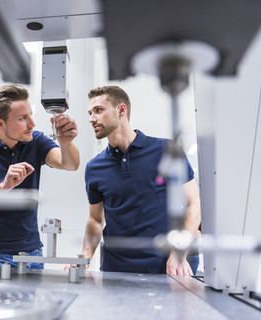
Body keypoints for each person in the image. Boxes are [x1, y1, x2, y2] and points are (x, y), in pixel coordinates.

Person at [79, 85, 201, 275]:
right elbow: (95, 220)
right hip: (116, 270)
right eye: (90, 112)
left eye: (98, 110)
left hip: (169, 267)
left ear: (121, 110)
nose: (91, 118)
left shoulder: (166, 150)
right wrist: (83, 259)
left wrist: (178, 254)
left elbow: (193, 205)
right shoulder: (94, 167)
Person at [0, 84, 79, 269]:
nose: (32, 123)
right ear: (0, 123)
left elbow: (69, 164)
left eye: (30, 115)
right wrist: (4, 186)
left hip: (32, 252)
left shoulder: (36, 141)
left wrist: (66, 142)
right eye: (23, 118)